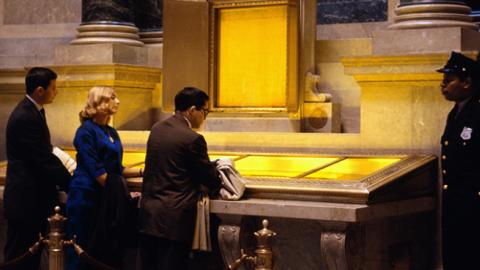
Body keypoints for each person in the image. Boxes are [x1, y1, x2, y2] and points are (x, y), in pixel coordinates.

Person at [138, 87, 221, 270]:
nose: (205, 117)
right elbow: (209, 177)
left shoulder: (157, 129)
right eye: (204, 111)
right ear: (192, 110)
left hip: (149, 214)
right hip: (174, 220)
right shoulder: (192, 139)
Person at [65, 86, 142, 270]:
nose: (118, 101)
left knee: (102, 251)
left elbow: (117, 168)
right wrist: (119, 191)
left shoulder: (111, 132)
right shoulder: (85, 131)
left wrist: (142, 173)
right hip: (86, 196)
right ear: (98, 103)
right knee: (82, 247)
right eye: (112, 97)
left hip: (105, 194)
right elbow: (97, 171)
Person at [3, 67, 72, 270]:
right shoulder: (25, 116)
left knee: (30, 260)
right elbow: (41, 159)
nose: (56, 92)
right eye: (53, 88)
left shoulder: (32, 111)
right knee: (20, 257)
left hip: (32, 200)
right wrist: (70, 180)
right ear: (40, 90)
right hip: (25, 201)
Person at [438, 51, 480, 269]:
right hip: (456, 204)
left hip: (474, 206)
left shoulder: (477, 112)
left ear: (467, 83)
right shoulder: (455, 113)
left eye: (449, 80)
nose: (443, 84)